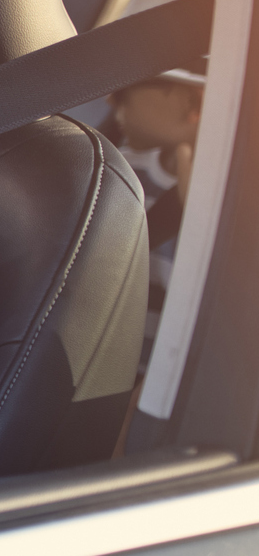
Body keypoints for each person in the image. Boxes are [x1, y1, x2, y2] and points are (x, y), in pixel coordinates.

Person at [108, 63, 206, 367]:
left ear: (189, 99)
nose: (111, 99)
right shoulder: (117, 170)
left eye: (125, 87)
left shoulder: (239, 210)